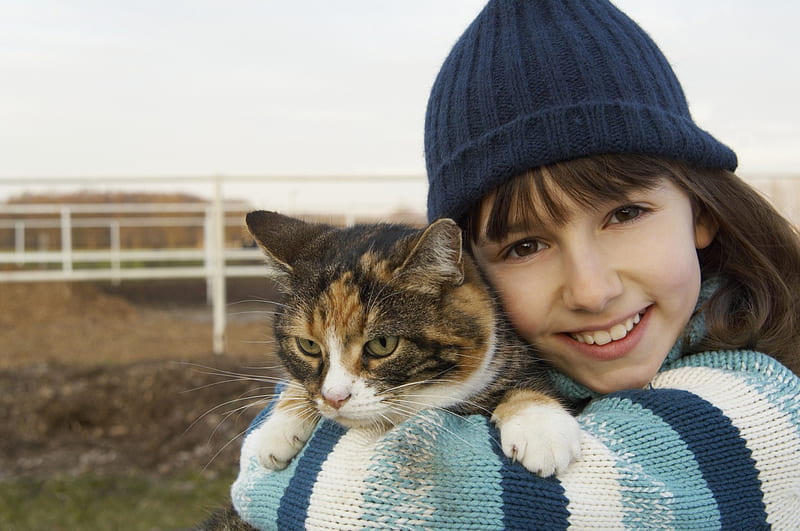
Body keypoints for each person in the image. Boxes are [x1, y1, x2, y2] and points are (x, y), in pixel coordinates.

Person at [230, 0, 800, 529]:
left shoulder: (768, 406)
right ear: (468, 274)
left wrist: (277, 449)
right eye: (524, 247)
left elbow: (347, 498)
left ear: (703, 211)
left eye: (626, 213)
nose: (591, 290)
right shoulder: (530, 364)